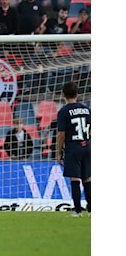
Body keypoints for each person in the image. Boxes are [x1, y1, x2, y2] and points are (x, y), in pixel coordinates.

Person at [56, 81, 91, 217]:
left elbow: (61, 134)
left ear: (63, 95)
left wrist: (59, 152)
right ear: (77, 94)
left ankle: (77, 211)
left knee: (75, 178)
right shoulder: (86, 109)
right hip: (87, 145)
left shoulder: (63, 111)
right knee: (87, 178)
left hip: (73, 146)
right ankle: (91, 210)